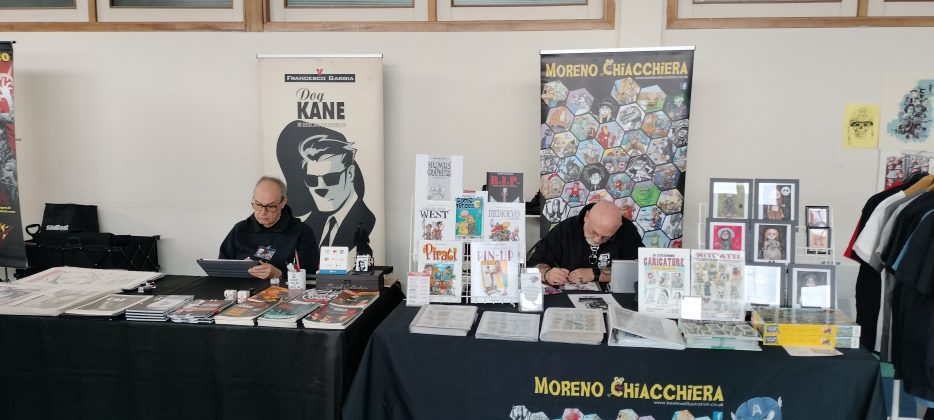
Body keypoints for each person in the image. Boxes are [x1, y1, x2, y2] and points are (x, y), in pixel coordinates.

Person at [276, 122, 375, 251]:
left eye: (331, 178)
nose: (320, 188)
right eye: (311, 179)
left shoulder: (365, 221)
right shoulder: (307, 226)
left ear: (350, 173)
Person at [219, 176, 319, 280]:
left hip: (283, 289)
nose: (262, 213)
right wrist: (239, 269)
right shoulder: (240, 229)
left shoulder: (302, 232)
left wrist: (280, 274)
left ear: (283, 202)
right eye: (258, 204)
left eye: (270, 206)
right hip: (242, 289)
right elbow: (222, 267)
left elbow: (311, 274)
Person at [528, 200, 642, 287]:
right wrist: (547, 274)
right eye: (594, 232)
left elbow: (639, 268)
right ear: (587, 217)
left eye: (606, 237)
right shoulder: (565, 229)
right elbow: (534, 263)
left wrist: (595, 274)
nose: (597, 240)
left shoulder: (627, 231)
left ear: (618, 227)